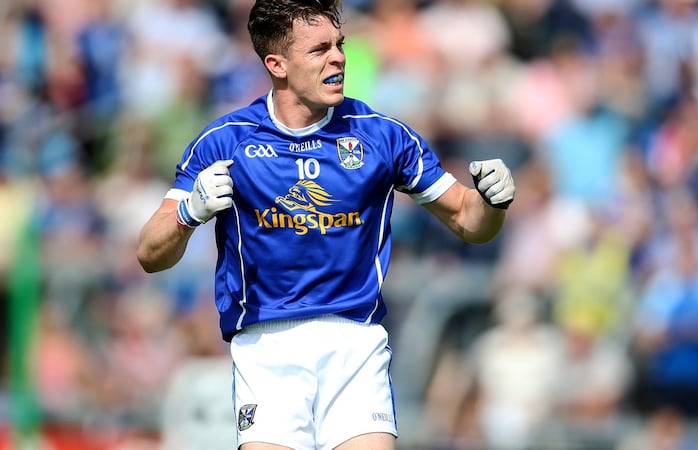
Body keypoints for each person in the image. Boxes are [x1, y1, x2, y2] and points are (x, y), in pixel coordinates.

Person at [136, 0, 516, 448]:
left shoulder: (382, 136)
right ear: (277, 64)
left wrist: (493, 201)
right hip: (266, 349)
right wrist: (189, 212)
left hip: (355, 344)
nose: (338, 58)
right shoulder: (225, 141)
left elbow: (469, 220)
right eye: (319, 50)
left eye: (339, 45)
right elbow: (149, 253)